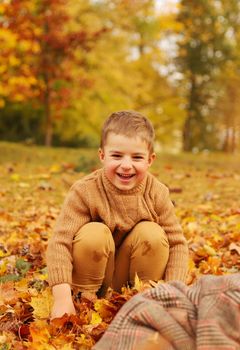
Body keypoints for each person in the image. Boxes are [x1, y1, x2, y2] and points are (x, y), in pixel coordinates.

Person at [46, 110, 189, 319]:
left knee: (152, 234)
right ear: (102, 155)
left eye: (137, 157)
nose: (126, 165)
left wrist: (175, 295)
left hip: (130, 276)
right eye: (117, 155)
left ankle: (145, 300)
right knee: (94, 232)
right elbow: (60, 242)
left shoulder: (157, 193)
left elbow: (177, 244)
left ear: (150, 160)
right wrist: (61, 298)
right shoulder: (84, 191)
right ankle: (82, 300)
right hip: (90, 276)